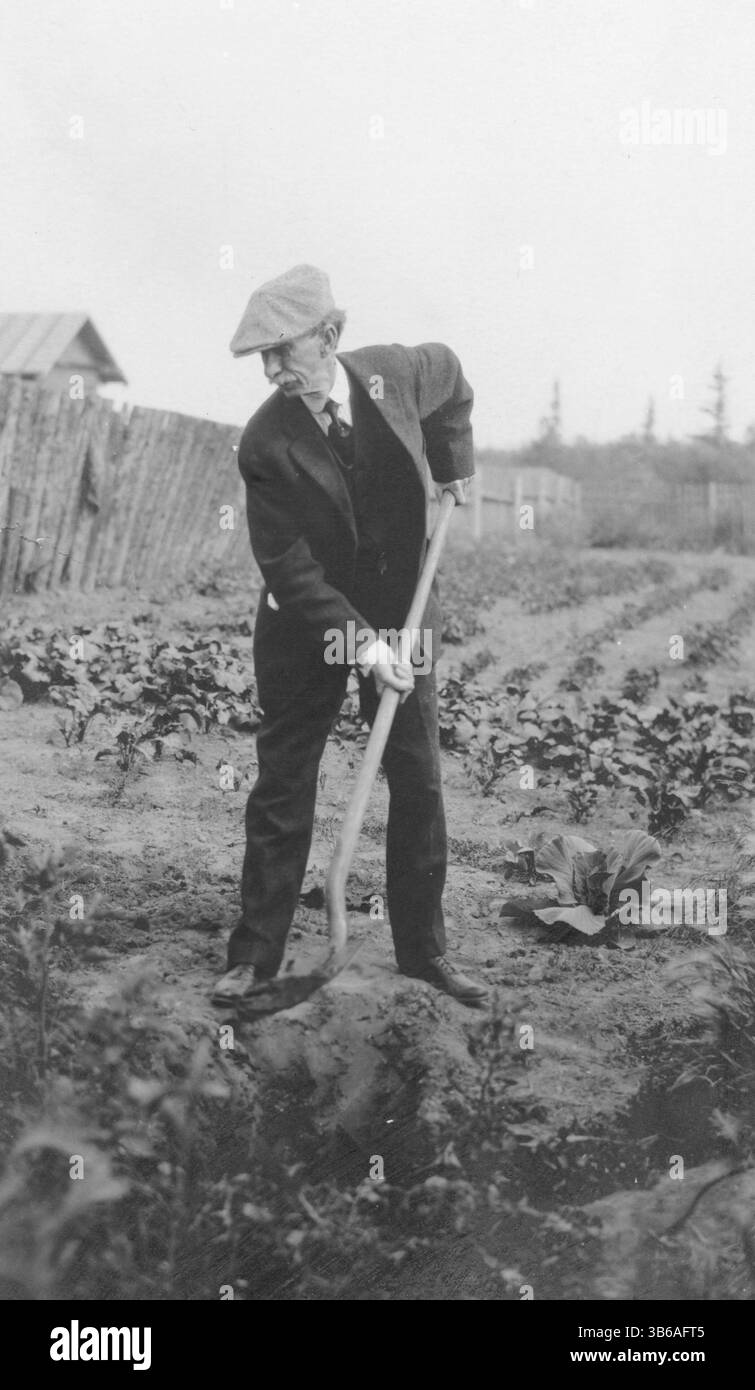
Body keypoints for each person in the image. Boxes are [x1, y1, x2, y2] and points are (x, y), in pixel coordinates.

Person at [212, 264, 487, 1008]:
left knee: (417, 775)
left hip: (402, 612)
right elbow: (289, 568)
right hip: (308, 625)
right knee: (285, 777)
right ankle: (255, 956)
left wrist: (450, 462)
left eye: (282, 350)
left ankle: (424, 952)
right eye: (261, 358)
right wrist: (364, 649)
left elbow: (453, 379)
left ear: (329, 335)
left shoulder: (396, 374)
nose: (272, 370)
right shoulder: (265, 443)